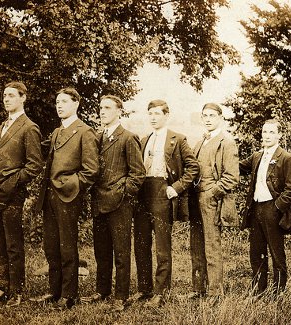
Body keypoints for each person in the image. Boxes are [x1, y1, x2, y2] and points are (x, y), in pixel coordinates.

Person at [32, 87, 99, 310]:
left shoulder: (85, 131)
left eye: (64, 102)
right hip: (49, 196)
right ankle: (54, 291)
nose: (59, 105)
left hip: (68, 196)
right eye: (57, 102)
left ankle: (69, 295)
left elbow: (91, 170)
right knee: (51, 245)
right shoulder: (57, 132)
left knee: (67, 245)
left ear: (76, 104)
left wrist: (71, 185)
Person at [0, 81, 43, 307]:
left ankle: (17, 293)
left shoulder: (29, 127)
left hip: (11, 196)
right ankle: (2, 289)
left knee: (13, 244)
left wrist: (11, 183)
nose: (6, 99)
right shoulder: (3, 125)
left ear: (23, 98)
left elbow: (34, 166)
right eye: (4, 95)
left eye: (12, 96)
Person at [80, 95, 145, 311]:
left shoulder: (127, 137)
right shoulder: (97, 138)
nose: (102, 111)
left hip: (119, 204)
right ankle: (102, 290)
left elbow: (138, 174)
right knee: (101, 249)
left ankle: (121, 296)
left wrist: (122, 193)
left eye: (107, 108)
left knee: (121, 250)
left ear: (119, 111)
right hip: (99, 201)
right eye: (100, 108)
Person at [132, 100, 199, 308]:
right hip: (144, 193)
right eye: (150, 113)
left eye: (157, 114)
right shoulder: (144, 140)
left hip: (163, 192)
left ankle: (161, 292)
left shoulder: (177, 139)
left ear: (166, 115)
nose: (153, 117)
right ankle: (144, 289)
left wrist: (176, 188)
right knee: (141, 243)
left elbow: (193, 167)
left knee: (162, 246)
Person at [239, 119, 291, 296]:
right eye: (265, 132)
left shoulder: (287, 158)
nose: (267, 136)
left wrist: (277, 207)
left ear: (279, 135)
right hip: (256, 209)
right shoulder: (257, 156)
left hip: (273, 209)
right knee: (256, 251)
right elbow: (238, 167)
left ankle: (278, 292)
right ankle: (259, 289)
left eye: (271, 132)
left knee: (276, 253)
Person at [184, 103, 239, 300]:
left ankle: (216, 292)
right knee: (196, 244)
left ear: (220, 118)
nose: (208, 119)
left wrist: (212, 193)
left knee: (212, 245)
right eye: (204, 115)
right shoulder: (200, 142)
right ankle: (198, 289)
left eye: (212, 116)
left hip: (211, 200)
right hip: (195, 199)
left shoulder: (226, 142)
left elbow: (232, 176)